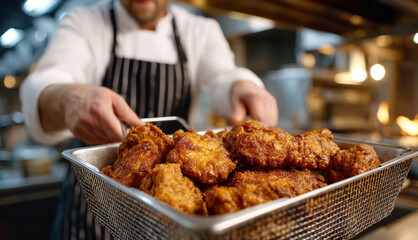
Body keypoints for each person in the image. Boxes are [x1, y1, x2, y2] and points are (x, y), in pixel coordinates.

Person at [20, 0, 278, 239]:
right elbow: (47, 80)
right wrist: (68, 97)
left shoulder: (200, 30)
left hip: (169, 220)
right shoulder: (85, 21)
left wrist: (243, 86)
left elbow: (224, 75)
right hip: (92, 205)